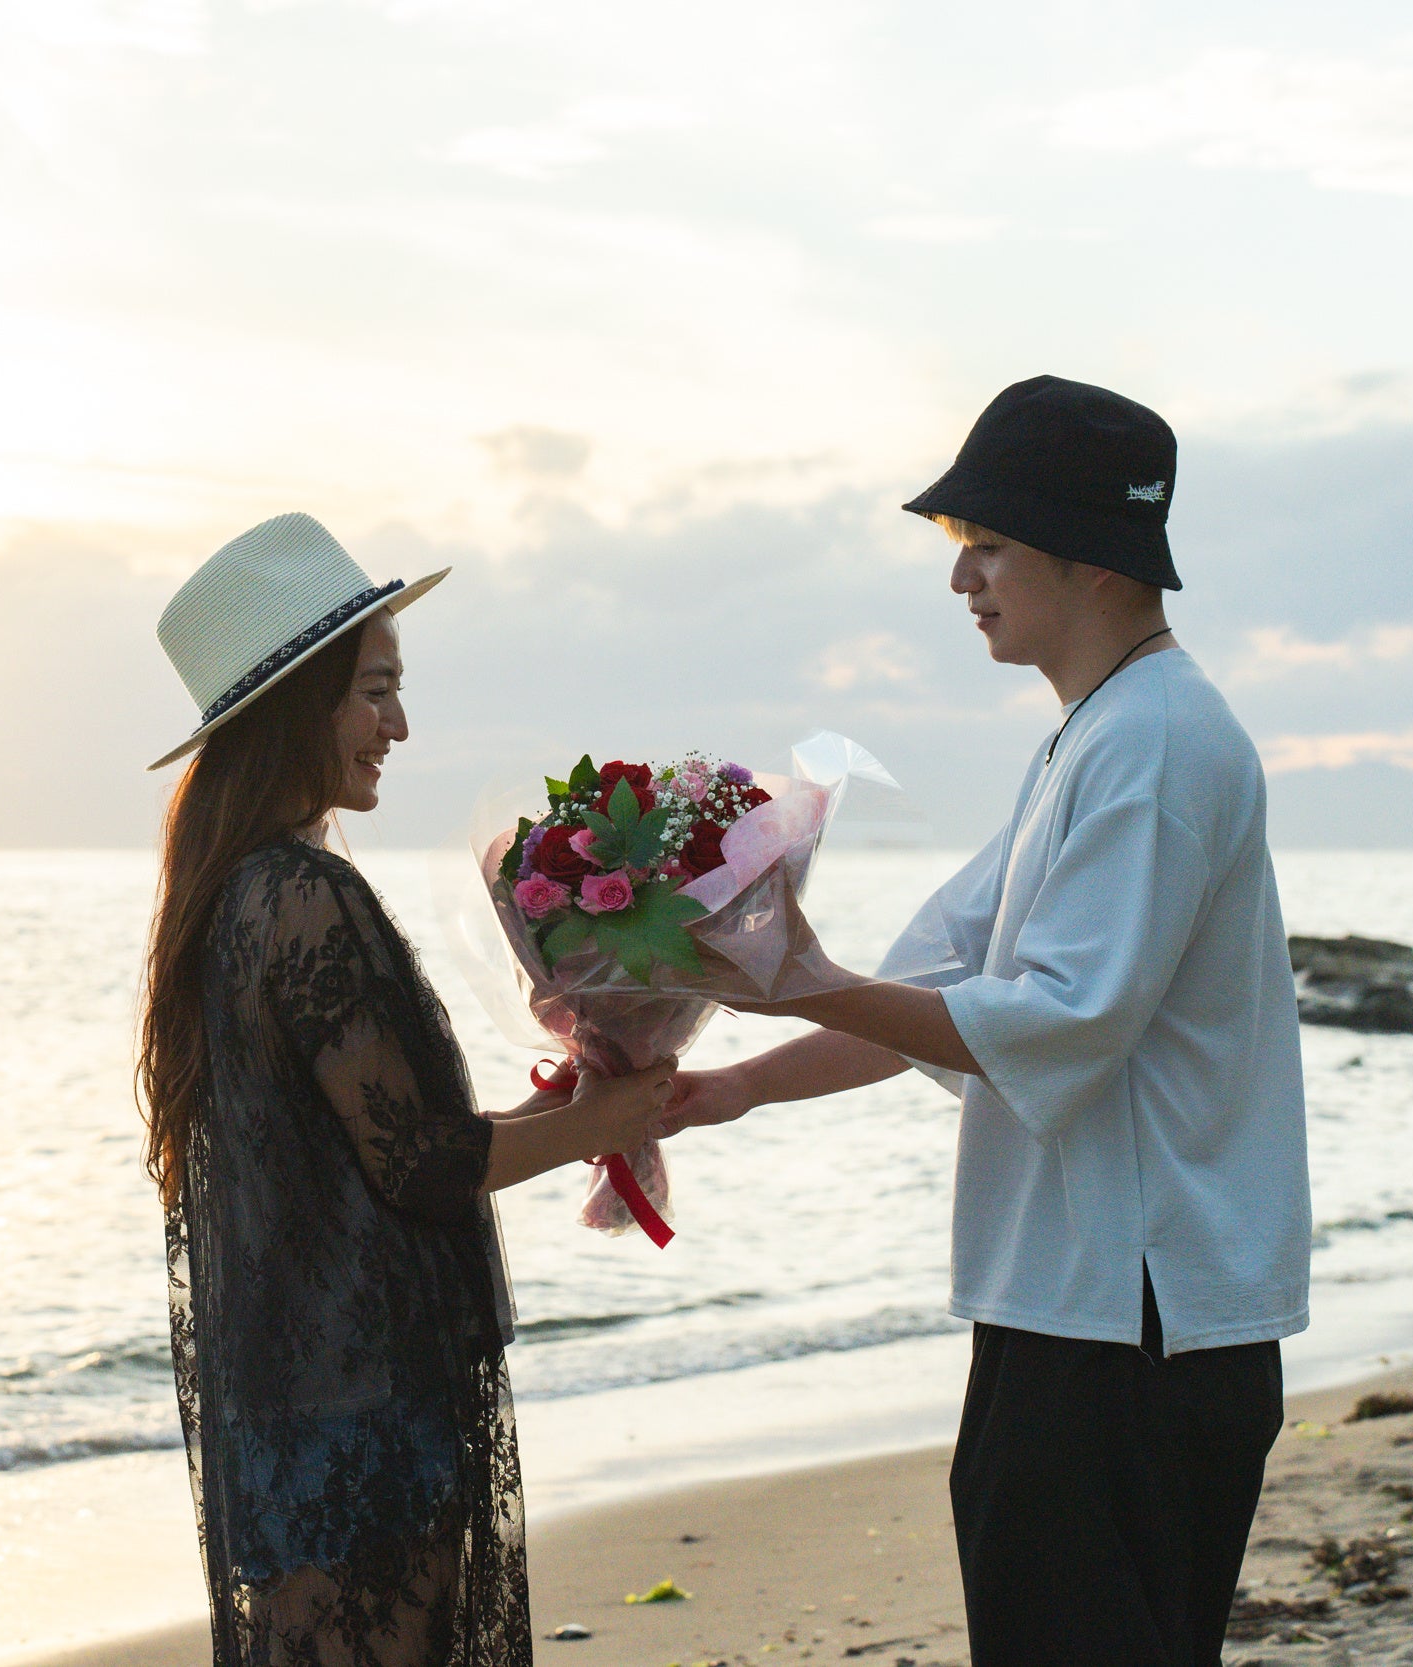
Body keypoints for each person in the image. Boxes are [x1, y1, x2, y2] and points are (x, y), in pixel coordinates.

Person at [658, 378, 1313, 1666]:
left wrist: (795, 974)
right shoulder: (1095, 734)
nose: (962, 577)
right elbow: (933, 995)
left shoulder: (1163, 739)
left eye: (988, 542)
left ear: (1093, 555)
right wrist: (737, 1079)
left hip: (1136, 1320)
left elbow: (1065, 1021)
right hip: (1070, 1306)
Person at [139, 512, 677, 1667]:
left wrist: (562, 1108)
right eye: (375, 690)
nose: (399, 723)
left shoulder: (243, 890)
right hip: (360, 1412)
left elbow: (371, 1143)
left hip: (304, 1402)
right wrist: (613, 1114)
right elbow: (420, 1165)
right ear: (298, 705)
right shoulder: (298, 895)